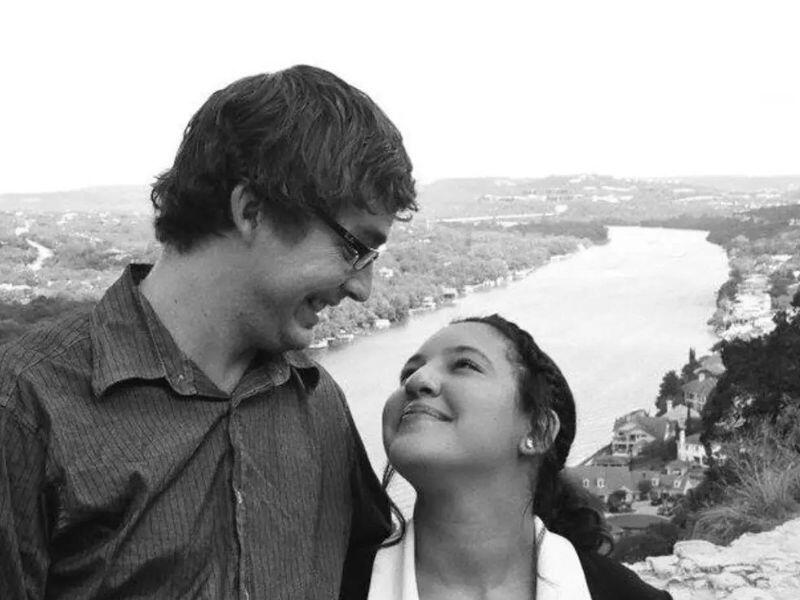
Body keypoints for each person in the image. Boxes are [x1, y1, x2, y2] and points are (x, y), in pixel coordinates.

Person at [0, 65, 415, 599]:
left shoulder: (317, 403)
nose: (364, 288)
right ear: (252, 210)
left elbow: (376, 570)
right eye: (355, 247)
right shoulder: (28, 406)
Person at [367, 314, 672, 600]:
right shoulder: (333, 582)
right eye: (408, 372)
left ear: (538, 431)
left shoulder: (624, 595)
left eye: (464, 365)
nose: (416, 380)